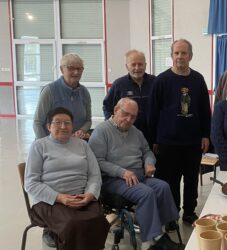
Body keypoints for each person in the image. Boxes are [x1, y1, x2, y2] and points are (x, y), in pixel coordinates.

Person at [88, 98, 183, 250]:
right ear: (115, 110)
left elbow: (147, 151)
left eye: (133, 116)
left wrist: (149, 163)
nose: (129, 119)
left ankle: (161, 233)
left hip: (138, 176)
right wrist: (122, 172)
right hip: (113, 179)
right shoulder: (102, 131)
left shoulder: (136, 132)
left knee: (163, 186)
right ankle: (150, 242)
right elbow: (96, 161)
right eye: (125, 114)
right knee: (146, 193)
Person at [25, 107, 109, 250]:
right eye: (57, 122)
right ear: (48, 126)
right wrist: (60, 197)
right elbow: (31, 183)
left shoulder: (82, 144)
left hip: (81, 197)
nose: (63, 126)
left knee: (98, 221)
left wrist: (90, 194)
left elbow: (94, 175)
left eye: (67, 123)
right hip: (50, 201)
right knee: (73, 224)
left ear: (72, 126)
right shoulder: (39, 146)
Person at [148, 39, 211, 224]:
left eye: (184, 53)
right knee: (170, 181)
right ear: (171, 56)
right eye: (176, 53)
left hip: (193, 141)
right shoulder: (161, 80)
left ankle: (190, 212)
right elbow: (153, 113)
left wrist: (205, 134)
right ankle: (172, 215)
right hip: (168, 142)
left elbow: (205, 110)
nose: (180, 57)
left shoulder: (198, 79)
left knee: (191, 180)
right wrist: (154, 139)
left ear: (190, 56)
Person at [33, 53, 92, 140]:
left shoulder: (84, 92)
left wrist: (82, 130)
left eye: (79, 69)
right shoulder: (49, 91)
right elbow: (37, 123)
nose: (76, 72)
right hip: (51, 143)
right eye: (71, 68)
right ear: (61, 69)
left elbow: (88, 120)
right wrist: (45, 145)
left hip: (74, 143)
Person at [102, 49, 155, 144]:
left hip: (152, 135)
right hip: (126, 135)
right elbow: (107, 106)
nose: (137, 68)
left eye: (140, 64)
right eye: (133, 64)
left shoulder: (155, 82)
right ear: (127, 66)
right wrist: (113, 128)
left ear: (145, 65)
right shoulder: (119, 84)